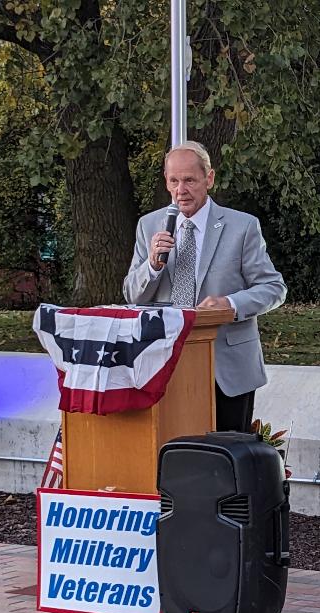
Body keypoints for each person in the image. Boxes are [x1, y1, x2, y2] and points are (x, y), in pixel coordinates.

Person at [122, 141, 286, 432]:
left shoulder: (242, 226)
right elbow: (131, 295)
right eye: (173, 181)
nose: (180, 190)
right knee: (174, 459)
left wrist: (230, 305)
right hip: (165, 365)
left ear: (209, 179)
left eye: (189, 180)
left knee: (224, 462)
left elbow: (273, 287)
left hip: (226, 370)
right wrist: (152, 266)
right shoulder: (149, 226)